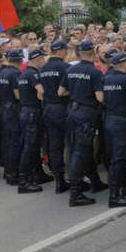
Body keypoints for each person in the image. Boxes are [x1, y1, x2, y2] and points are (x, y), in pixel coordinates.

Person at [58, 40, 108, 206]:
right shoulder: (95, 72)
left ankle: (95, 182)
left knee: (80, 149)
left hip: (72, 111)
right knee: (80, 151)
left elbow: (61, 92)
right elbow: (100, 97)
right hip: (86, 114)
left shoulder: (71, 69)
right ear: (93, 53)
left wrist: (77, 93)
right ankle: (75, 193)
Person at [100, 52, 126, 207]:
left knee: (118, 155)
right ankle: (115, 195)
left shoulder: (106, 78)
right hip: (123, 121)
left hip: (110, 119)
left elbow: (102, 98)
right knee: (120, 157)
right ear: (124, 64)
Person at [39, 41, 71, 193]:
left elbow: (41, 91)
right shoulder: (65, 67)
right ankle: (74, 177)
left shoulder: (43, 68)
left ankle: (59, 179)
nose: (66, 53)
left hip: (48, 108)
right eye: (66, 51)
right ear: (60, 52)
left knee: (54, 145)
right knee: (71, 144)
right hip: (62, 108)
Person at [16, 48, 47, 194]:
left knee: (32, 146)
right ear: (38, 59)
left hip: (25, 111)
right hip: (32, 113)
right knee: (29, 147)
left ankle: (37, 174)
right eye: (43, 58)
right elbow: (41, 91)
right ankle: (23, 181)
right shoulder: (33, 73)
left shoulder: (23, 74)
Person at [0, 49, 23, 186]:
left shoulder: (3, 72)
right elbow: (18, 95)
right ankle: (13, 174)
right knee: (15, 142)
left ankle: (8, 171)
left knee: (7, 141)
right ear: (20, 60)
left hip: (4, 108)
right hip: (14, 109)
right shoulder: (15, 73)